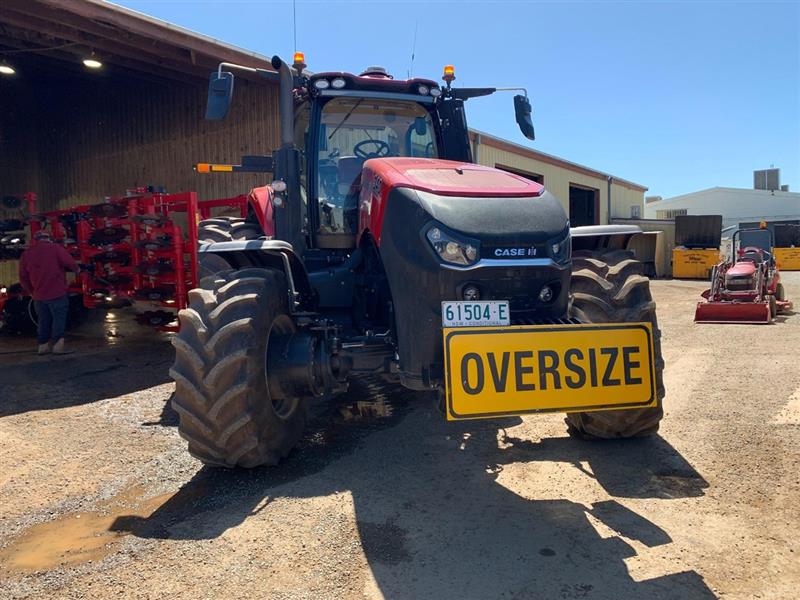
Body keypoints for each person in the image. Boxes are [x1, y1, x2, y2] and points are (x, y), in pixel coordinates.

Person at [18, 230, 80, 355]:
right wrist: (77, 270)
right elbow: (69, 262)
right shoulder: (55, 248)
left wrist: (32, 292)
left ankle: (42, 346)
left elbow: (23, 277)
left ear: (35, 239)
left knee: (43, 320)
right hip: (56, 293)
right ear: (48, 238)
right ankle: (58, 346)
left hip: (38, 296)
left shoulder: (26, 254)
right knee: (58, 319)